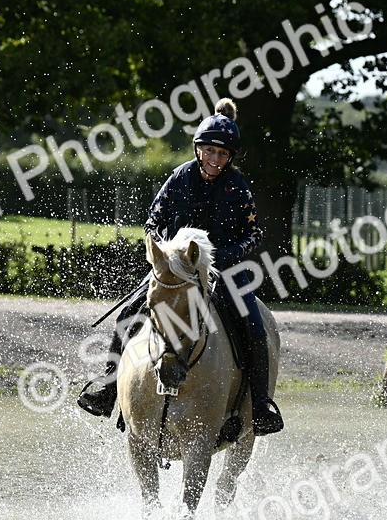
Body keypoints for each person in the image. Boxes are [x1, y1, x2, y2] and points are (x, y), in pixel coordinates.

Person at [77, 98, 284, 435]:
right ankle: (109, 389)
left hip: (225, 271)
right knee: (128, 314)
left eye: (223, 154)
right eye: (210, 151)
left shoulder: (237, 186)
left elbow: (253, 234)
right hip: (176, 270)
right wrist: (164, 251)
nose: (215, 159)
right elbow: (152, 223)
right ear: (198, 149)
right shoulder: (179, 178)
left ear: (230, 157)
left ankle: (259, 405)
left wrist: (224, 254)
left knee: (255, 327)